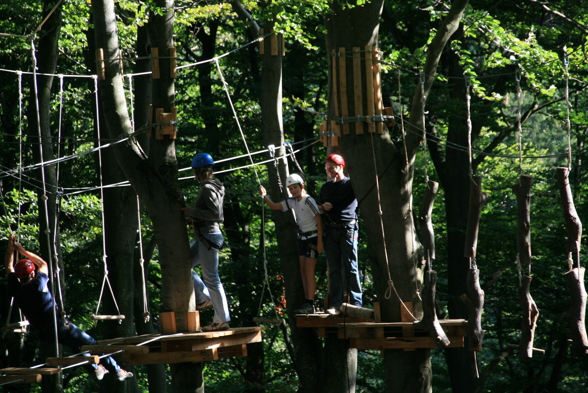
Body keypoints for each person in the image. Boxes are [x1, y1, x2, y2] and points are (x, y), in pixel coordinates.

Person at [4, 234, 133, 381]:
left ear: (19, 277)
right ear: (32, 273)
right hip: (59, 327)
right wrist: (21, 250)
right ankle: (117, 371)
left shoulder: (16, 289)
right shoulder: (38, 284)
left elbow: (8, 267)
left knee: (79, 346)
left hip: (45, 333)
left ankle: (96, 369)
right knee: (92, 345)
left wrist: (10, 250)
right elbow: (43, 264)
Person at [260, 174, 324, 314]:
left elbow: (319, 220)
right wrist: (265, 196)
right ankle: (308, 302)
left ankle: (310, 303)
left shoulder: (308, 201)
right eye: (290, 188)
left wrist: (320, 242)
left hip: (312, 238)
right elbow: (275, 206)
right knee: (302, 270)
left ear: (302, 186)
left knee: (309, 271)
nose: (293, 190)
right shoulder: (292, 201)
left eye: (295, 187)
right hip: (302, 239)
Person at [182, 152, 231, 332]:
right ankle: (204, 298)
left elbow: (216, 215)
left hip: (209, 236)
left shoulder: (208, 188)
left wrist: (190, 211)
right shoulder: (214, 185)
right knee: (184, 264)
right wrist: (195, 219)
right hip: (207, 235)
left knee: (212, 278)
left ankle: (222, 319)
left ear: (198, 171)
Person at [319, 154, 362, 315]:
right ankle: (336, 304)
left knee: (351, 267)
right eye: (327, 168)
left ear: (341, 167)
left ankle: (356, 303)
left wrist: (331, 206)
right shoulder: (326, 187)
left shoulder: (351, 184)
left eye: (332, 167)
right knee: (334, 269)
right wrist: (323, 207)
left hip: (348, 230)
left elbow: (350, 202)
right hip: (331, 230)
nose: (329, 171)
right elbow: (319, 206)